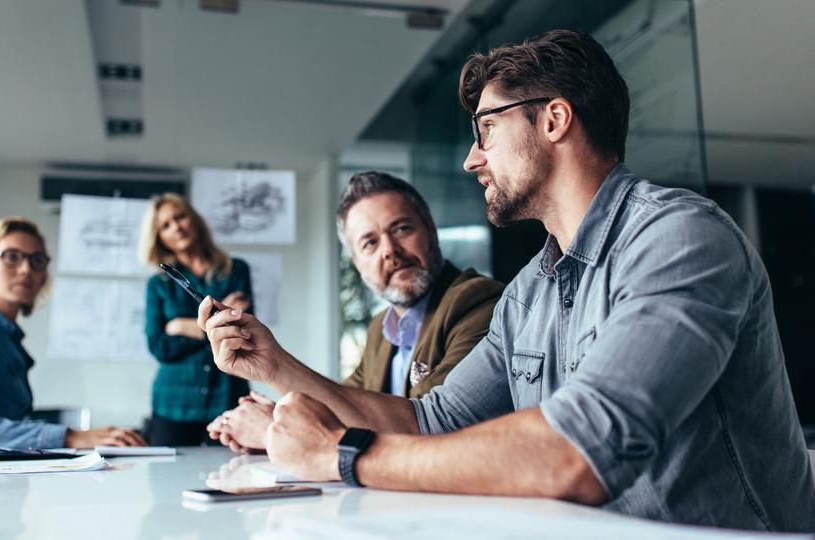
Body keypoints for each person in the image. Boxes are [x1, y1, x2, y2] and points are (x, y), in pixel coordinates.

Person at [196, 29, 815, 531]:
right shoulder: (529, 292)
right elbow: (429, 422)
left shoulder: (680, 238)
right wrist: (273, 365)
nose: (472, 158)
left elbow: (578, 452)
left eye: (486, 128)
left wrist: (340, 455)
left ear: (554, 120)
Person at [207, 172, 504, 452]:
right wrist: (279, 416)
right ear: (356, 262)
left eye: (401, 229)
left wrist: (274, 427)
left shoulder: (478, 302)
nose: (389, 250)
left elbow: (428, 427)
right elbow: (343, 407)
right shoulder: (381, 328)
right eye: (370, 243)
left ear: (430, 229)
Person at [0, 217, 146, 449]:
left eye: (37, 260)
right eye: (11, 257)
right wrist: (70, 437)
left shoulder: (0, 334)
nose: (26, 269)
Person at [139, 192, 253, 446]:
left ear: (194, 220)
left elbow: (241, 333)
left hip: (226, 397)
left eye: (180, 217)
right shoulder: (158, 285)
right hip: (173, 403)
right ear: (159, 238)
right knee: (168, 482)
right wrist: (214, 327)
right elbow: (159, 346)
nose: (176, 227)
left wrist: (180, 326)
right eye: (165, 225)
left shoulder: (236, 271)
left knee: (231, 476)